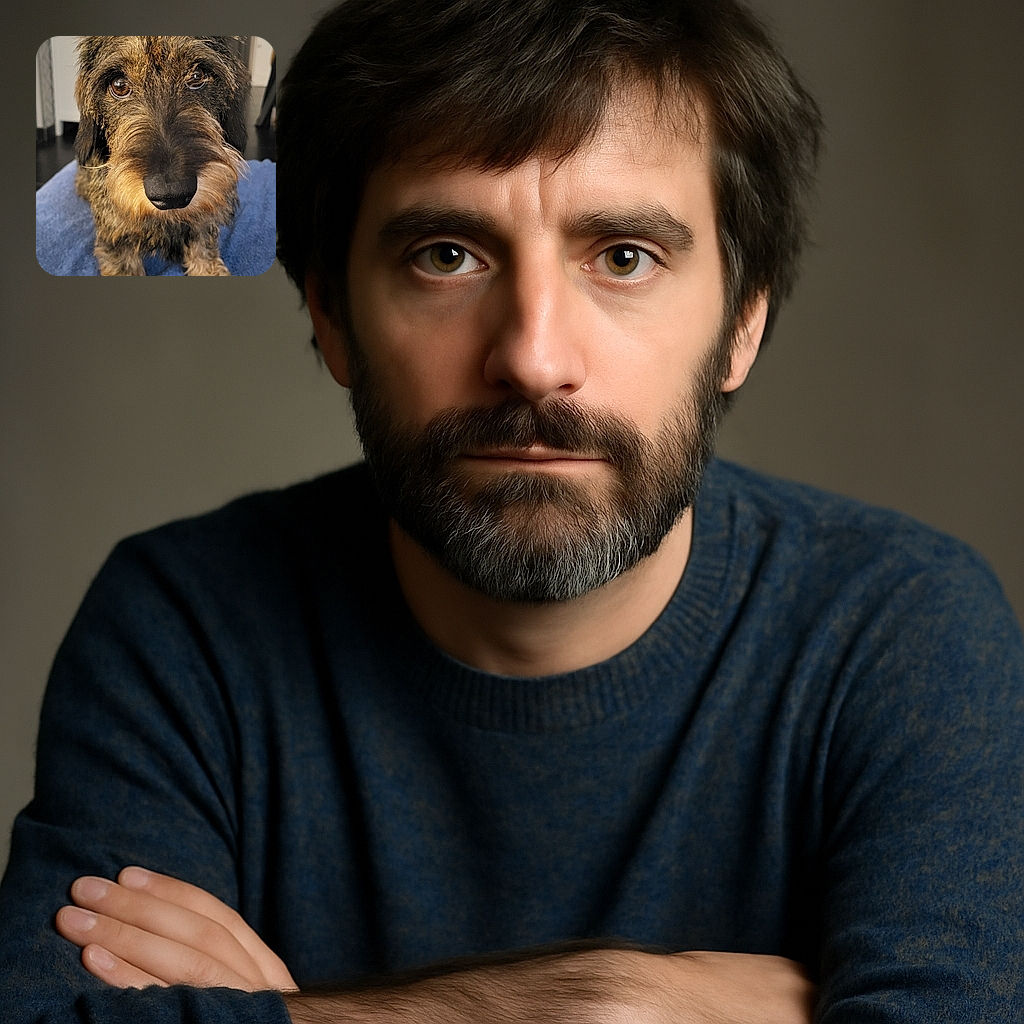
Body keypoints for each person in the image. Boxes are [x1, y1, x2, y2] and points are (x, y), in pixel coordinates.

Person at [3, 1, 1022, 1022]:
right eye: (446, 254)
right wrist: (606, 1000)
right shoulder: (181, 626)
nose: (533, 357)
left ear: (742, 323)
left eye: (623, 256)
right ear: (331, 312)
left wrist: (296, 1012)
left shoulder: (905, 628)